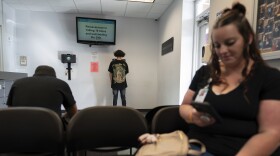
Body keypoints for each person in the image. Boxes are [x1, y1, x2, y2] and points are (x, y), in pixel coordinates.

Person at [179, 3, 280, 156]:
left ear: (249, 38)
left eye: (230, 43)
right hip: (193, 147)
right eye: (217, 45)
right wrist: (193, 116)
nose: (222, 51)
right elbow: (184, 106)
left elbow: (271, 133)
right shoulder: (205, 72)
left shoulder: (269, 78)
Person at [7, 65, 78, 120]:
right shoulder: (61, 84)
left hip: (18, 130)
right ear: (54, 76)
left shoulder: (17, 83)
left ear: (35, 74)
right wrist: (63, 116)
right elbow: (73, 113)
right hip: (51, 130)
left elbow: (10, 109)